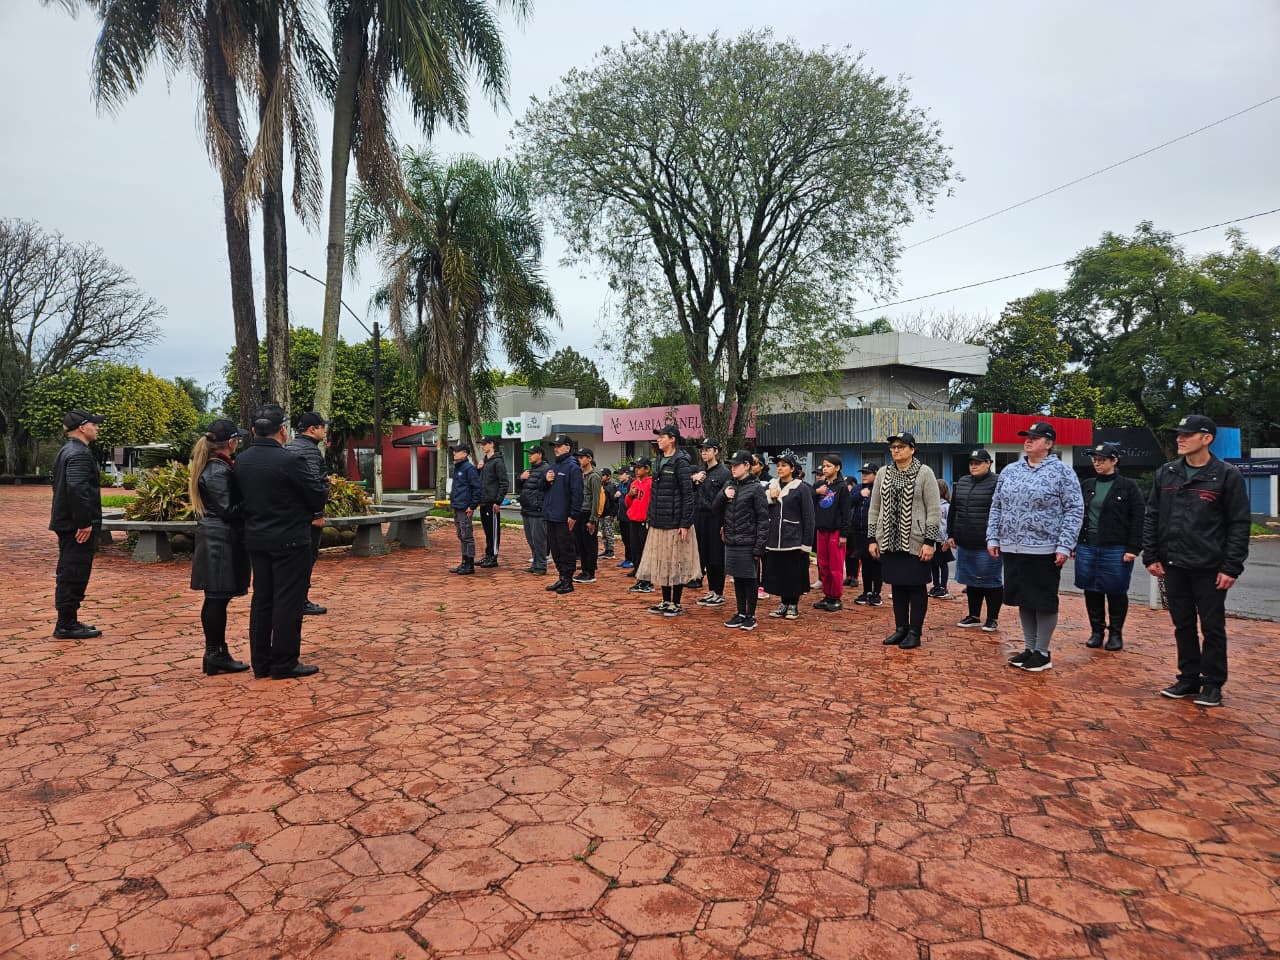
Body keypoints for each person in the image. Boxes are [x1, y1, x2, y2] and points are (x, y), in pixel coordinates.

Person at [1144, 414, 1250, 708]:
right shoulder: (1167, 473)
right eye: (1178, 434)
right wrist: (1151, 555)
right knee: (1183, 624)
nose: (1180, 438)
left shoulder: (1227, 475)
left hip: (1209, 567)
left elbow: (1239, 524)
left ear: (1207, 439)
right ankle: (1188, 678)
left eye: (1187, 434)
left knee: (1212, 627)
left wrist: (1231, 566)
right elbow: (1152, 515)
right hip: (1173, 565)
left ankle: (1213, 683)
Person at [236, 404, 330, 679]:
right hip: (290, 539)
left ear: (253, 430)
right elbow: (316, 496)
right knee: (288, 601)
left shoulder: (242, 460)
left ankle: (261, 662)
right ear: (283, 431)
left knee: (262, 600)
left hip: (257, 539)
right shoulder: (291, 461)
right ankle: (284, 662)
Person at [987, 421, 1084, 673]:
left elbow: (1074, 510)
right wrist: (993, 537)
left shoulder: (1062, 472)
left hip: (1044, 548)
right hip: (1013, 547)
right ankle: (1030, 648)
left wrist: (1065, 544)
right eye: (1027, 437)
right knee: (1024, 599)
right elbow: (997, 506)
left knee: (1042, 601)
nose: (1028, 441)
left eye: (1035, 437)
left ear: (1049, 443)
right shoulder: (1010, 470)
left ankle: (1042, 651)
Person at [188, 418, 251, 675]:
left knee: (217, 599)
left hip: (218, 538)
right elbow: (228, 509)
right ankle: (215, 652)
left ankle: (215, 652)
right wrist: (253, 500)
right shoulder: (217, 470)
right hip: (219, 540)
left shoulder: (216, 466)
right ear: (232, 442)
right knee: (216, 599)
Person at [867, 432, 940, 649]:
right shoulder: (883, 473)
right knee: (897, 586)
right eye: (893, 447)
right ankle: (901, 628)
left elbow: (933, 509)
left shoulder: (924, 473)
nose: (896, 450)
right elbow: (874, 507)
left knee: (916, 586)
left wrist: (929, 541)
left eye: (901, 446)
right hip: (888, 540)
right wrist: (872, 537)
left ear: (912, 449)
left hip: (915, 541)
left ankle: (915, 632)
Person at [1076, 441, 1144, 652]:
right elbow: (1078, 514)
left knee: (1116, 589)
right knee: (1091, 589)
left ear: (1114, 461)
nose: (1097, 463)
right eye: (1095, 460)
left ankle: (1115, 633)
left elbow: (1138, 518)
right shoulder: (1088, 484)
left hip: (1115, 546)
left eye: (1102, 460)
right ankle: (1096, 631)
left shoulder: (1128, 486)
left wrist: (1133, 548)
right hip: (1088, 545)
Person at [49, 408, 106, 639]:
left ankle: (68, 620)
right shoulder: (79, 453)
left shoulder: (67, 450)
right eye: (94, 424)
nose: (97, 427)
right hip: (76, 527)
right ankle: (66, 624)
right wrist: (84, 522)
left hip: (67, 523)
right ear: (82, 427)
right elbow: (76, 488)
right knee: (74, 572)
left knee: (70, 570)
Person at [637, 424, 700, 616]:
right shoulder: (658, 460)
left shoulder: (681, 462)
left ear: (672, 439)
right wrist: (650, 516)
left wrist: (685, 523)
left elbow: (688, 495)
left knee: (676, 562)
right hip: (659, 521)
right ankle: (665, 600)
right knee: (662, 561)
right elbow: (654, 493)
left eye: (662, 437)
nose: (659, 440)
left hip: (675, 522)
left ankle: (676, 602)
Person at [948, 449, 1002, 631]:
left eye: (978, 463)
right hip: (965, 541)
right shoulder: (962, 482)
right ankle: (974, 615)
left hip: (987, 543)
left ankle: (992, 618)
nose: (973, 466)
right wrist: (950, 533)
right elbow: (953, 510)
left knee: (990, 581)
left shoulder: (998, 482)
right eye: (971, 463)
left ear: (989, 463)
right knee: (971, 580)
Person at [717, 450, 769, 630]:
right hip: (731, 541)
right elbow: (714, 508)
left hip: (748, 542)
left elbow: (763, 519)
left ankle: (750, 615)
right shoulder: (729, 485)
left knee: (749, 579)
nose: (733, 468)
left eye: (736, 465)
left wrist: (759, 546)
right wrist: (723, 495)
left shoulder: (756, 488)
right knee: (737, 578)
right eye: (731, 465)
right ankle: (740, 612)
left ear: (747, 466)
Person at [285, 411, 329, 615]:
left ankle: (294, 599)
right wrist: (318, 514)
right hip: (307, 518)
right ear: (312, 429)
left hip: (291, 516)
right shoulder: (309, 451)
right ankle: (300, 601)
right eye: (322, 427)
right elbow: (313, 485)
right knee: (305, 560)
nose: (325, 431)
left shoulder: (290, 447)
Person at [763, 453, 816, 620]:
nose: (780, 468)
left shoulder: (801, 488)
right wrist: (769, 497)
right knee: (779, 573)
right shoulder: (771, 485)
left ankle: (793, 604)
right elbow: (761, 505)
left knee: (793, 574)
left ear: (792, 468)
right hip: (775, 538)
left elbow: (809, 517)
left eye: (784, 465)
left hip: (794, 538)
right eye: (778, 465)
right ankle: (784, 603)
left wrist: (806, 543)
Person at [542, 434, 584, 594]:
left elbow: (577, 493)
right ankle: (561, 577)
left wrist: (573, 515)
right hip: (551, 515)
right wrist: (545, 480)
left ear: (568, 447)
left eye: (559, 446)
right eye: (555, 446)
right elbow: (542, 488)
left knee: (566, 549)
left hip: (564, 517)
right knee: (555, 549)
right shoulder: (554, 466)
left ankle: (568, 580)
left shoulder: (573, 467)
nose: (556, 449)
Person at [692, 439, 731, 606]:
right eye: (702, 450)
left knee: (717, 556)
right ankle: (711, 590)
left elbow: (725, 499)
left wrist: (724, 523)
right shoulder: (700, 471)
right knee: (705, 555)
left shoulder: (724, 473)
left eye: (707, 449)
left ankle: (719, 592)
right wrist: (694, 479)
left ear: (716, 451)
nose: (704, 452)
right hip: (700, 517)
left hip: (716, 518)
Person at [812, 454, 852, 611]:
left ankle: (835, 597)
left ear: (837, 468)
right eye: (823, 466)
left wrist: (844, 534)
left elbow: (846, 512)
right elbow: (809, 497)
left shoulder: (842, 487)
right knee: (823, 564)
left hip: (836, 531)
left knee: (835, 565)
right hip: (821, 530)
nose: (825, 468)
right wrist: (817, 492)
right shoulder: (820, 485)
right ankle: (827, 595)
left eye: (828, 466)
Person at [849, 463, 884, 606]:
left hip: (875, 533)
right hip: (859, 532)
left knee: (876, 563)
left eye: (867, 473)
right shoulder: (858, 488)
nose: (863, 475)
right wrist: (859, 495)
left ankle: (876, 593)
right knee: (865, 563)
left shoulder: (880, 488)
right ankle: (866, 591)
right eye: (862, 472)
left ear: (876, 474)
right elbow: (847, 504)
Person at [448, 442, 482, 575]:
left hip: (465, 507)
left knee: (467, 535)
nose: (454, 453)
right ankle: (464, 562)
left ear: (465, 453)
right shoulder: (458, 467)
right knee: (461, 535)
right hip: (457, 506)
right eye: (454, 451)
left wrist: (472, 506)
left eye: (457, 451)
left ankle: (469, 564)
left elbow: (477, 489)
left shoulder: (469, 468)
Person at [517, 444, 551, 575]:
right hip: (526, 509)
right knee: (531, 540)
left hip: (538, 510)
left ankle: (541, 566)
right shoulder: (529, 469)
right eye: (529, 453)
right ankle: (535, 563)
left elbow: (545, 487)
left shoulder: (546, 469)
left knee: (539, 540)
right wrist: (521, 478)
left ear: (540, 455)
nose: (529, 456)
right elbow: (520, 487)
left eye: (532, 453)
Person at [476, 436, 509, 568]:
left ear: (491, 444)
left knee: (493, 531)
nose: (482, 446)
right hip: (483, 501)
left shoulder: (497, 462)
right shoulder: (484, 461)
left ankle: (493, 557)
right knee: (487, 531)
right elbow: (480, 481)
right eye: (481, 444)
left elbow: (504, 483)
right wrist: (478, 469)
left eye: (484, 444)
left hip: (492, 502)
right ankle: (488, 555)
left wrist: (498, 501)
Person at [573, 448, 603, 584]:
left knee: (589, 544)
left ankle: (590, 572)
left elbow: (596, 499)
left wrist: (593, 519)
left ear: (589, 459)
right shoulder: (580, 474)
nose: (579, 460)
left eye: (582, 457)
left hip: (588, 513)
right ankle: (585, 570)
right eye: (578, 457)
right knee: (581, 544)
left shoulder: (594, 476)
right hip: (579, 512)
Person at [625, 458, 654, 592]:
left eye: (639, 467)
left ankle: (647, 581)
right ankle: (639, 578)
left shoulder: (651, 483)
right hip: (634, 520)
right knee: (635, 549)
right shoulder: (634, 483)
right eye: (635, 467)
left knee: (644, 550)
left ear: (647, 469)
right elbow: (628, 503)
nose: (636, 470)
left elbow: (653, 502)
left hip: (644, 521)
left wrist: (650, 519)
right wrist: (630, 495)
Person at [929, 478, 953, 599]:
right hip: (932, 540)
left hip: (942, 541)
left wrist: (947, 539)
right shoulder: (931, 504)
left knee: (943, 564)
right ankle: (936, 585)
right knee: (933, 564)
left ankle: (943, 587)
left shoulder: (947, 506)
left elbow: (950, 523)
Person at [613, 466, 631, 567]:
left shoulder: (631, 484)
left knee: (630, 540)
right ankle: (627, 559)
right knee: (625, 539)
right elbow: (616, 497)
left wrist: (621, 494)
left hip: (629, 517)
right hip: (621, 516)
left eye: (621, 474)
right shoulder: (620, 484)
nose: (619, 476)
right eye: (618, 474)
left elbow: (631, 496)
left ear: (627, 474)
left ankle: (631, 560)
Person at [599, 467, 617, 560]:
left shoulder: (611, 486)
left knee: (609, 532)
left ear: (608, 476)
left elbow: (614, 501)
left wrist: (613, 514)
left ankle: (611, 551)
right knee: (604, 532)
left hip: (608, 513)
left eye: (603, 475)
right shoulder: (601, 485)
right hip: (602, 513)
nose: (601, 477)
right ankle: (606, 549)